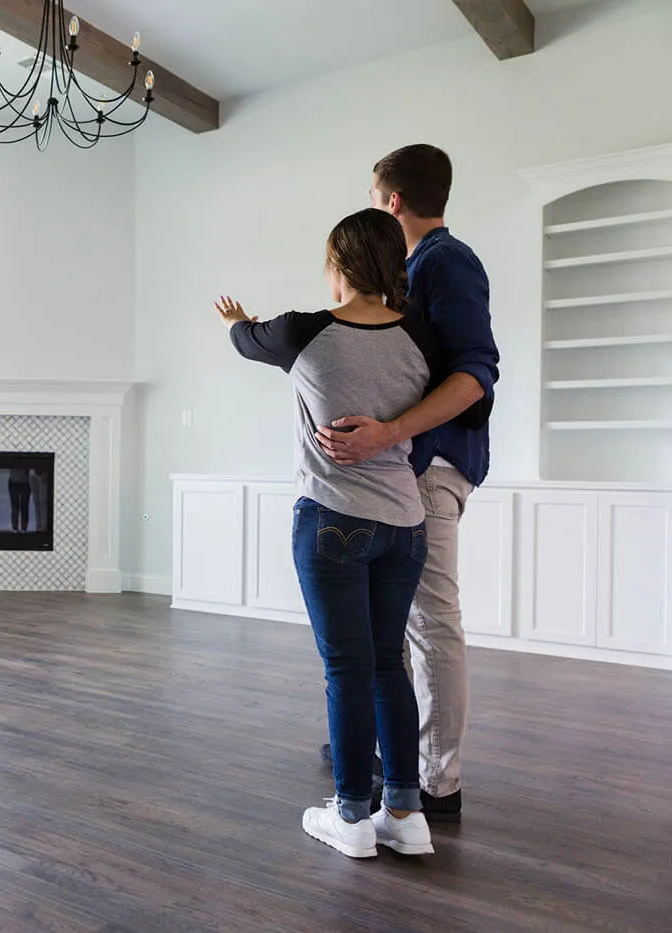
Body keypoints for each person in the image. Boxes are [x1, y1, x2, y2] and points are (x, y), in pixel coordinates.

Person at [219, 208, 441, 859]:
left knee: (346, 667)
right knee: (388, 664)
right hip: (405, 523)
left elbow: (242, 339)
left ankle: (350, 815)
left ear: (337, 263)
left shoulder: (303, 332)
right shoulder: (423, 338)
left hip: (333, 520)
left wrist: (236, 318)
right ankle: (404, 811)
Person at [315, 145, 499, 824]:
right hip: (402, 471)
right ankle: (380, 760)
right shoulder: (413, 270)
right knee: (386, 629)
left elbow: (476, 373)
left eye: (372, 198)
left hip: (426, 469)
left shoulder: (444, 262)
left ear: (390, 202)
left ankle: (435, 782)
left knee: (428, 622)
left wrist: (389, 435)